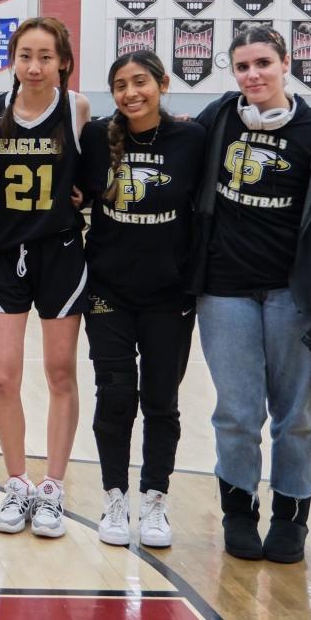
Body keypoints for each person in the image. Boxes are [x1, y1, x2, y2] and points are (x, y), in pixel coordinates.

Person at [189, 25, 311, 564]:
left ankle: (291, 517)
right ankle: (239, 513)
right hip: (224, 291)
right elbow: (167, 161)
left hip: (294, 294)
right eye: (242, 67)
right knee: (237, 413)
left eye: (263, 62)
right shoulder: (217, 119)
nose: (253, 75)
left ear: (285, 63)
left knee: (296, 415)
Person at [77, 51, 205, 548]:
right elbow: (77, 190)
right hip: (108, 290)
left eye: (140, 82)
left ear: (163, 83)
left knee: (160, 402)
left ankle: (154, 498)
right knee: (113, 396)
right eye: (120, 85)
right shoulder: (96, 137)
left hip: (168, 296)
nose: (131, 92)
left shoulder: (191, 140)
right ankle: (114, 496)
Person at [0, 16, 90, 538]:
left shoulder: (77, 108)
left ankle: (53, 487)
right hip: (5, 253)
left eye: (46, 56)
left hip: (62, 253)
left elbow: (92, 175)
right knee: (4, 374)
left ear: (63, 61)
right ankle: (18, 481)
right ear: (12, 59)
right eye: (26, 55)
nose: (35, 66)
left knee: (60, 371)